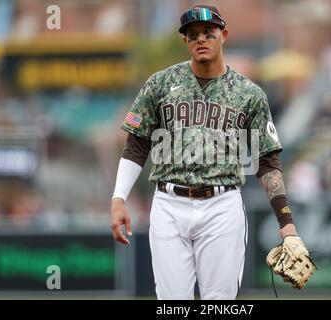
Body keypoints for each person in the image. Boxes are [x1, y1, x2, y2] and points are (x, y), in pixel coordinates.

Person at [110, 5, 310, 300]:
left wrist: (287, 223)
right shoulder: (160, 84)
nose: (200, 39)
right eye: (193, 35)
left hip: (222, 206)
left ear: (224, 35)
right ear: (185, 41)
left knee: (219, 303)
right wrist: (118, 199)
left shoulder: (249, 93)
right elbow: (137, 145)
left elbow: (266, 161)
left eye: (208, 32)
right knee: (172, 303)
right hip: (168, 204)